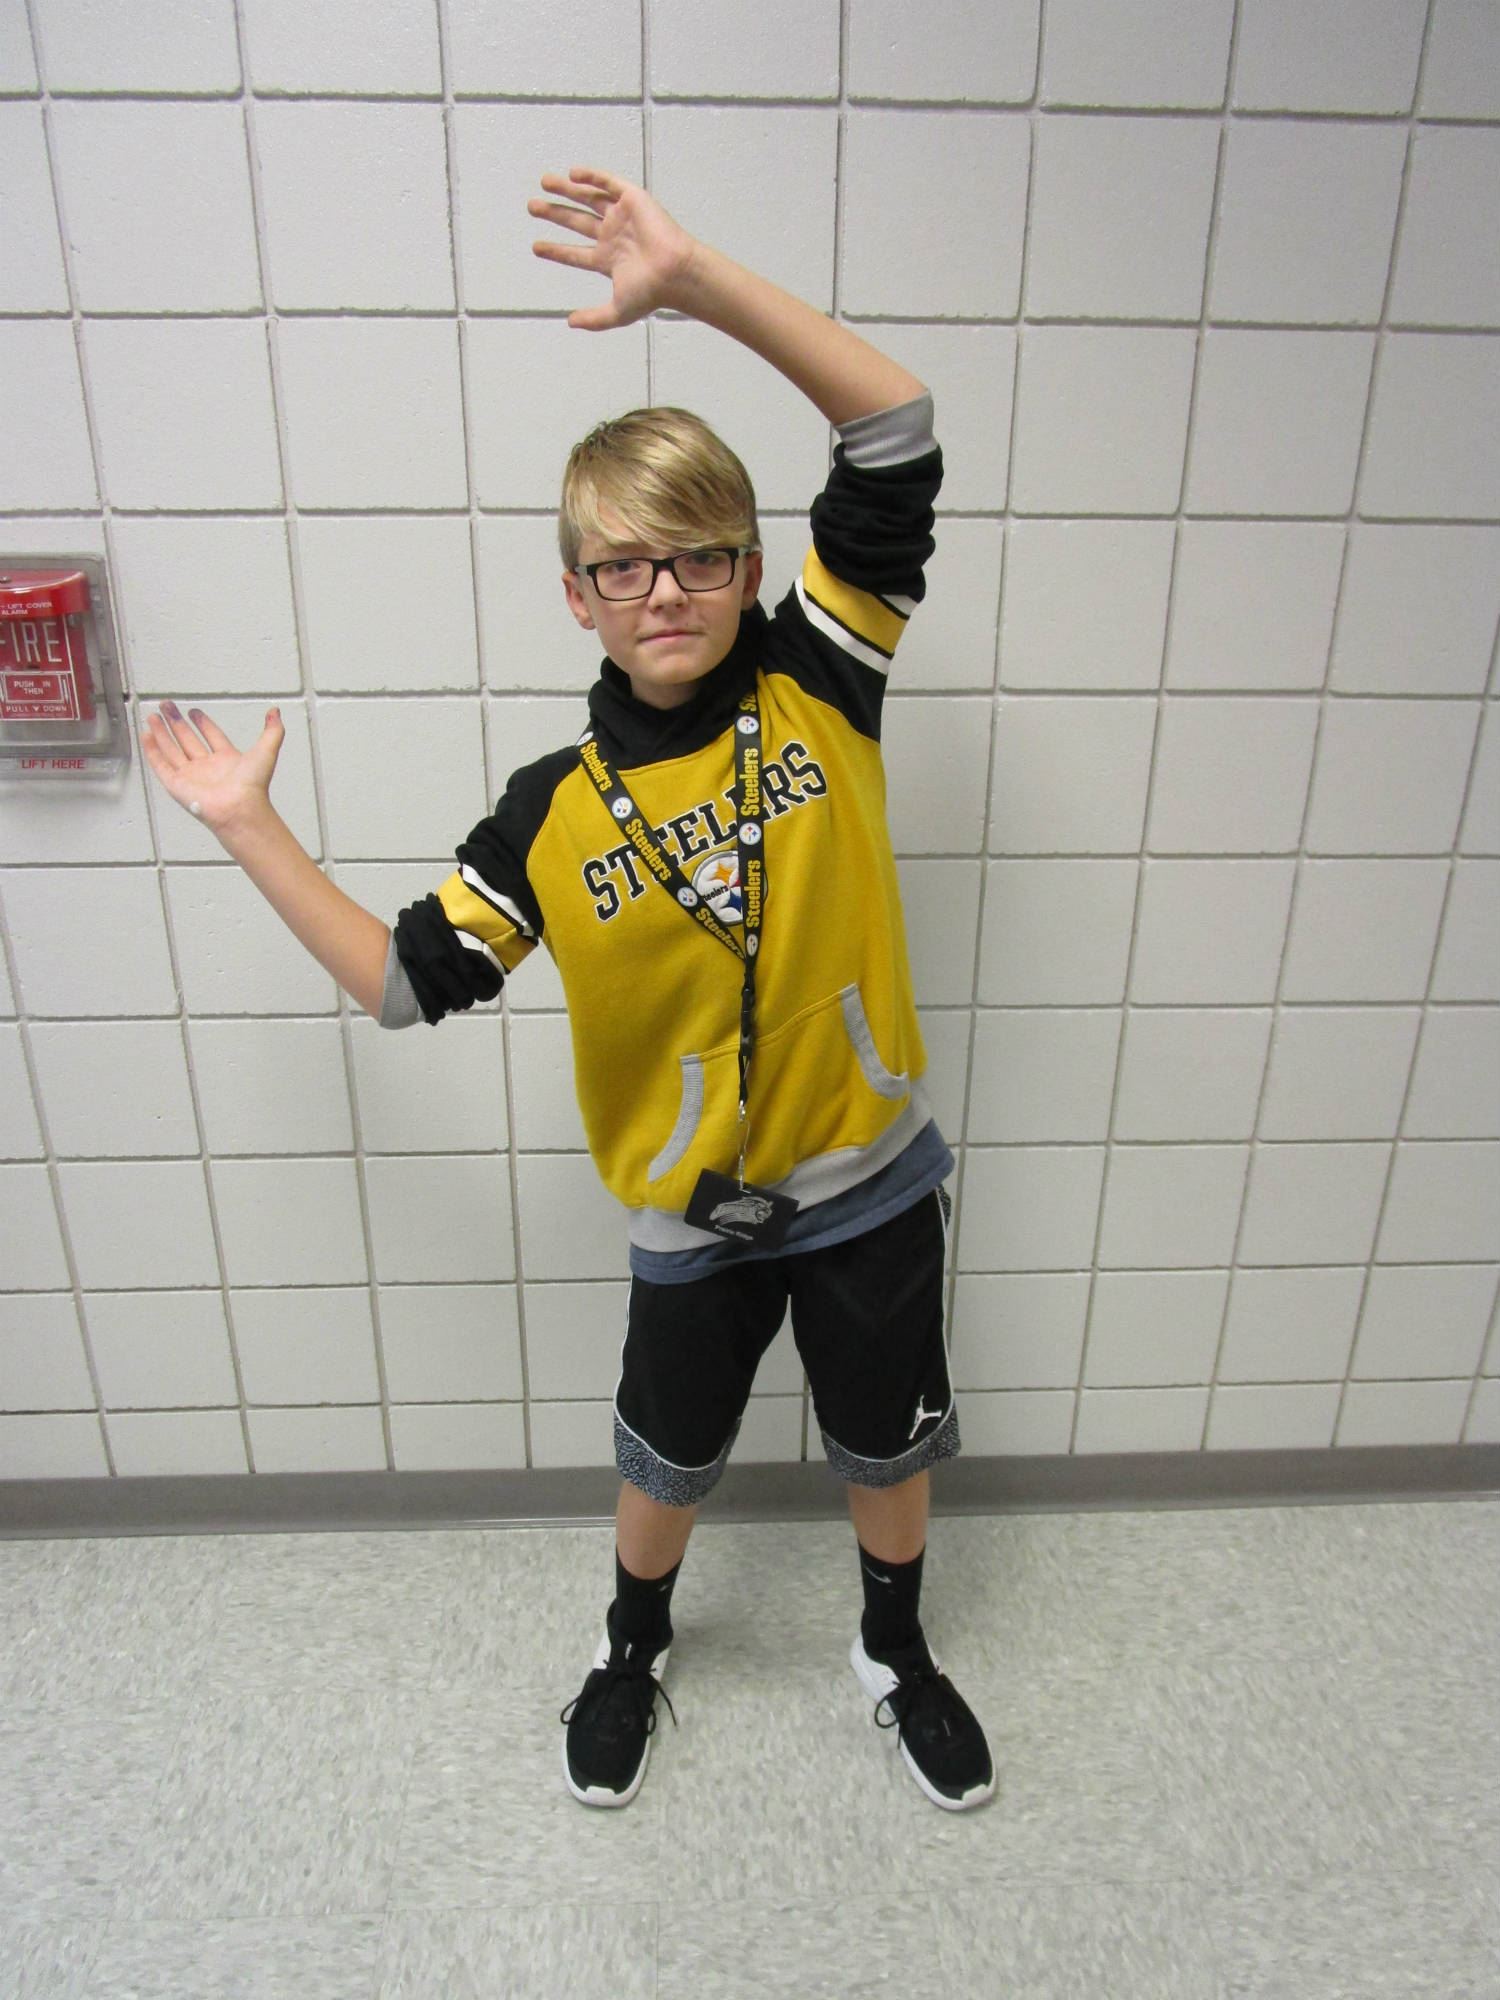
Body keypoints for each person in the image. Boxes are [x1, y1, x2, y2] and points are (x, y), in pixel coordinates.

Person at [141, 166, 995, 1815]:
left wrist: (697, 282)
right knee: (663, 1458)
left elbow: (895, 430)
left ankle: (894, 1649)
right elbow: (401, 982)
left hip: (873, 1179)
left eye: (700, 559)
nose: (663, 590)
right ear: (576, 593)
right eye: (623, 566)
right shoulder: (549, 813)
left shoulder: (821, 678)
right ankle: (629, 1646)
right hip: (693, 1216)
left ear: (752, 568)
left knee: (890, 1442)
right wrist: (251, 827)